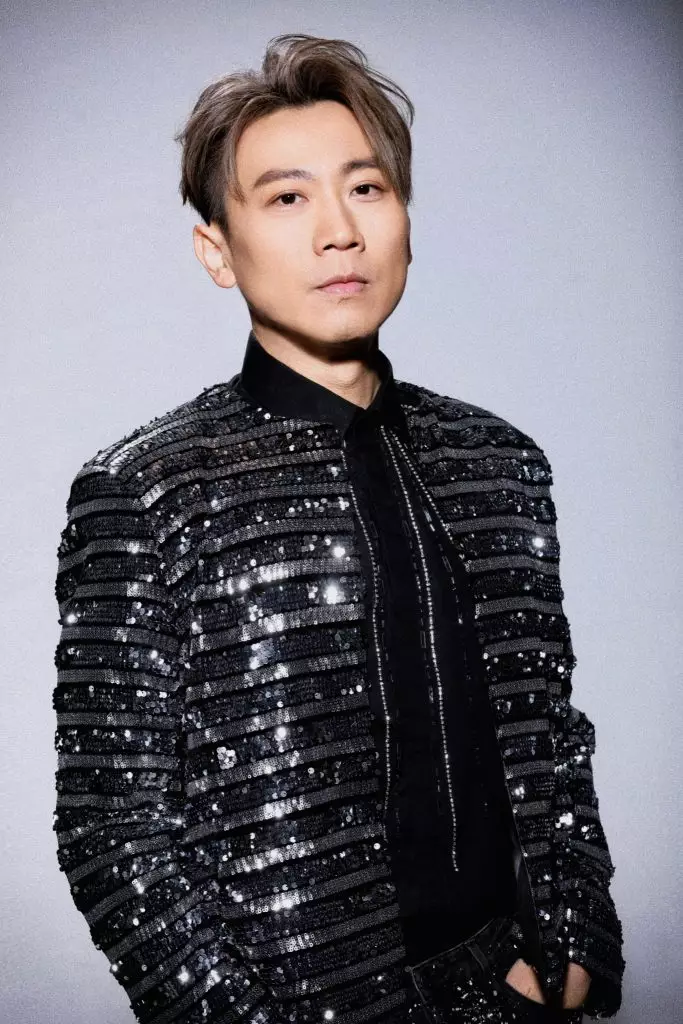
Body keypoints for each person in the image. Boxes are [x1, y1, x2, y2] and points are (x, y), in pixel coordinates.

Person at [52, 33, 625, 1024]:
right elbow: (114, 830)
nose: (338, 232)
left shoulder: (499, 463)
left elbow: (548, 736)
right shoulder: (144, 489)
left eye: (366, 189)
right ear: (217, 251)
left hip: (517, 989)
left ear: (404, 219)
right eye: (286, 198)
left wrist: (573, 948)